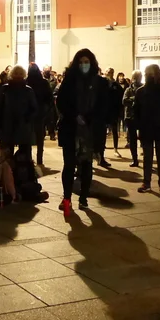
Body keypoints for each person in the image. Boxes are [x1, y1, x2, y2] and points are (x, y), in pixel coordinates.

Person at [56, 49, 106, 210]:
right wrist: (74, 115)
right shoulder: (69, 81)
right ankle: (67, 198)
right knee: (69, 165)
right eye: (81, 62)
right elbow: (61, 102)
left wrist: (91, 119)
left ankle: (83, 197)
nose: (84, 65)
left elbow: (103, 106)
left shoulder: (99, 82)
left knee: (86, 166)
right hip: (71, 128)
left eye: (86, 62)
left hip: (89, 130)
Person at [134, 64, 160, 193]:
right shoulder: (141, 91)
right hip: (146, 127)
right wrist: (138, 126)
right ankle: (146, 182)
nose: (148, 76)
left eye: (150, 74)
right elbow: (136, 110)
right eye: (146, 74)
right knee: (147, 157)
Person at [27, 62, 53, 166]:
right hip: (40, 113)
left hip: (29, 114)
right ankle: (39, 159)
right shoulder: (44, 82)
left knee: (28, 137)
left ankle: (28, 158)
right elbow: (49, 98)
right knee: (40, 137)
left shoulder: (26, 82)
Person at [122, 70, 142, 167]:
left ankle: (147, 159)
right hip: (130, 117)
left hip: (141, 117)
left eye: (139, 77)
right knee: (132, 140)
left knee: (144, 138)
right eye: (136, 77)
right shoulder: (128, 90)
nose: (138, 79)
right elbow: (124, 101)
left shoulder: (143, 89)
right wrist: (133, 99)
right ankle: (135, 159)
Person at [104, 68, 125, 161]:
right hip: (104, 111)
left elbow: (121, 97)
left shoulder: (116, 85)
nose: (110, 74)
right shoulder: (102, 83)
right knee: (102, 131)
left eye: (112, 72)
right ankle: (101, 150)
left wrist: (119, 110)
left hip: (113, 111)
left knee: (114, 130)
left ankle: (115, 149)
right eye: (108, 72)